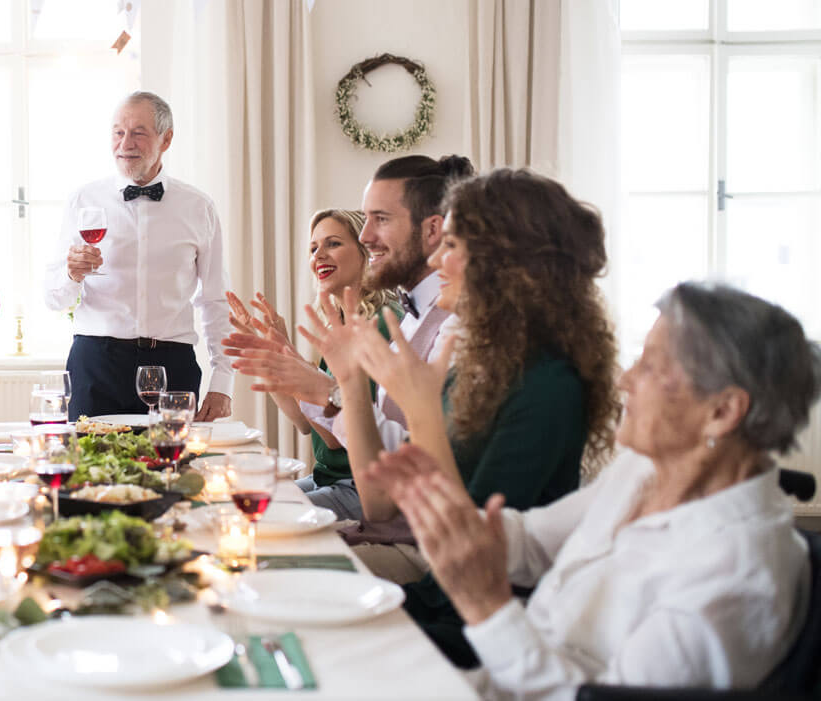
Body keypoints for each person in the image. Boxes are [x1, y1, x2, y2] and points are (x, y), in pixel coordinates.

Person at [368, 282, 818, 697]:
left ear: (722, 411)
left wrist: (486, 605)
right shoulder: (643, 471)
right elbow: (531, 541)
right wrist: (447, 518)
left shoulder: (737, 577)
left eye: (651, 365)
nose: (625, 379)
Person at [300, 168, 621, 667]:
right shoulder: (481, 359)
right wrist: (349, 382)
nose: (438, 259)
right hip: (441, 592)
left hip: (482, 622)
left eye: (452, 244)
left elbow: (469, 553)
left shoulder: (547, 382)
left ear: (504, 262)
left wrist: (420, 409)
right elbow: (383, 506)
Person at [225, 154, 473, 518]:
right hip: (363, 493)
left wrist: (324, 389)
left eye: (381, 220)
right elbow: (314, 422)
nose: (367, 237)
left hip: (369, 498)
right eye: (313, 248)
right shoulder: (394, 321)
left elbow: (364, 452)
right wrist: (276, 361)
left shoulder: (396, 324)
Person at [43, 91, 234, 421]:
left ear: (167, 138)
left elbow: (215, 300)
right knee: (91, 471)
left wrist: (223, 383)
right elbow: (53, 299)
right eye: (118, 132)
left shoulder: (199, 207)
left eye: (138, 132)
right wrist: (72, 274)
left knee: (174, 470)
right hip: (96, 364)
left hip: (173, 365)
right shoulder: (83, 200)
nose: (124, 143)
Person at [221, 209, 396, 490]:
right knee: (239, 494)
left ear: (366, 251)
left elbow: (338, 437)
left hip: (363, 487)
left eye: (333, 243)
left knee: (258, 515)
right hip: (327, 478)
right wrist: (269, 359)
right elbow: (305, 422)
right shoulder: (340, 323)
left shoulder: (381, 324)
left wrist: (287, 361)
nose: (318, 256)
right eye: (314, 248)